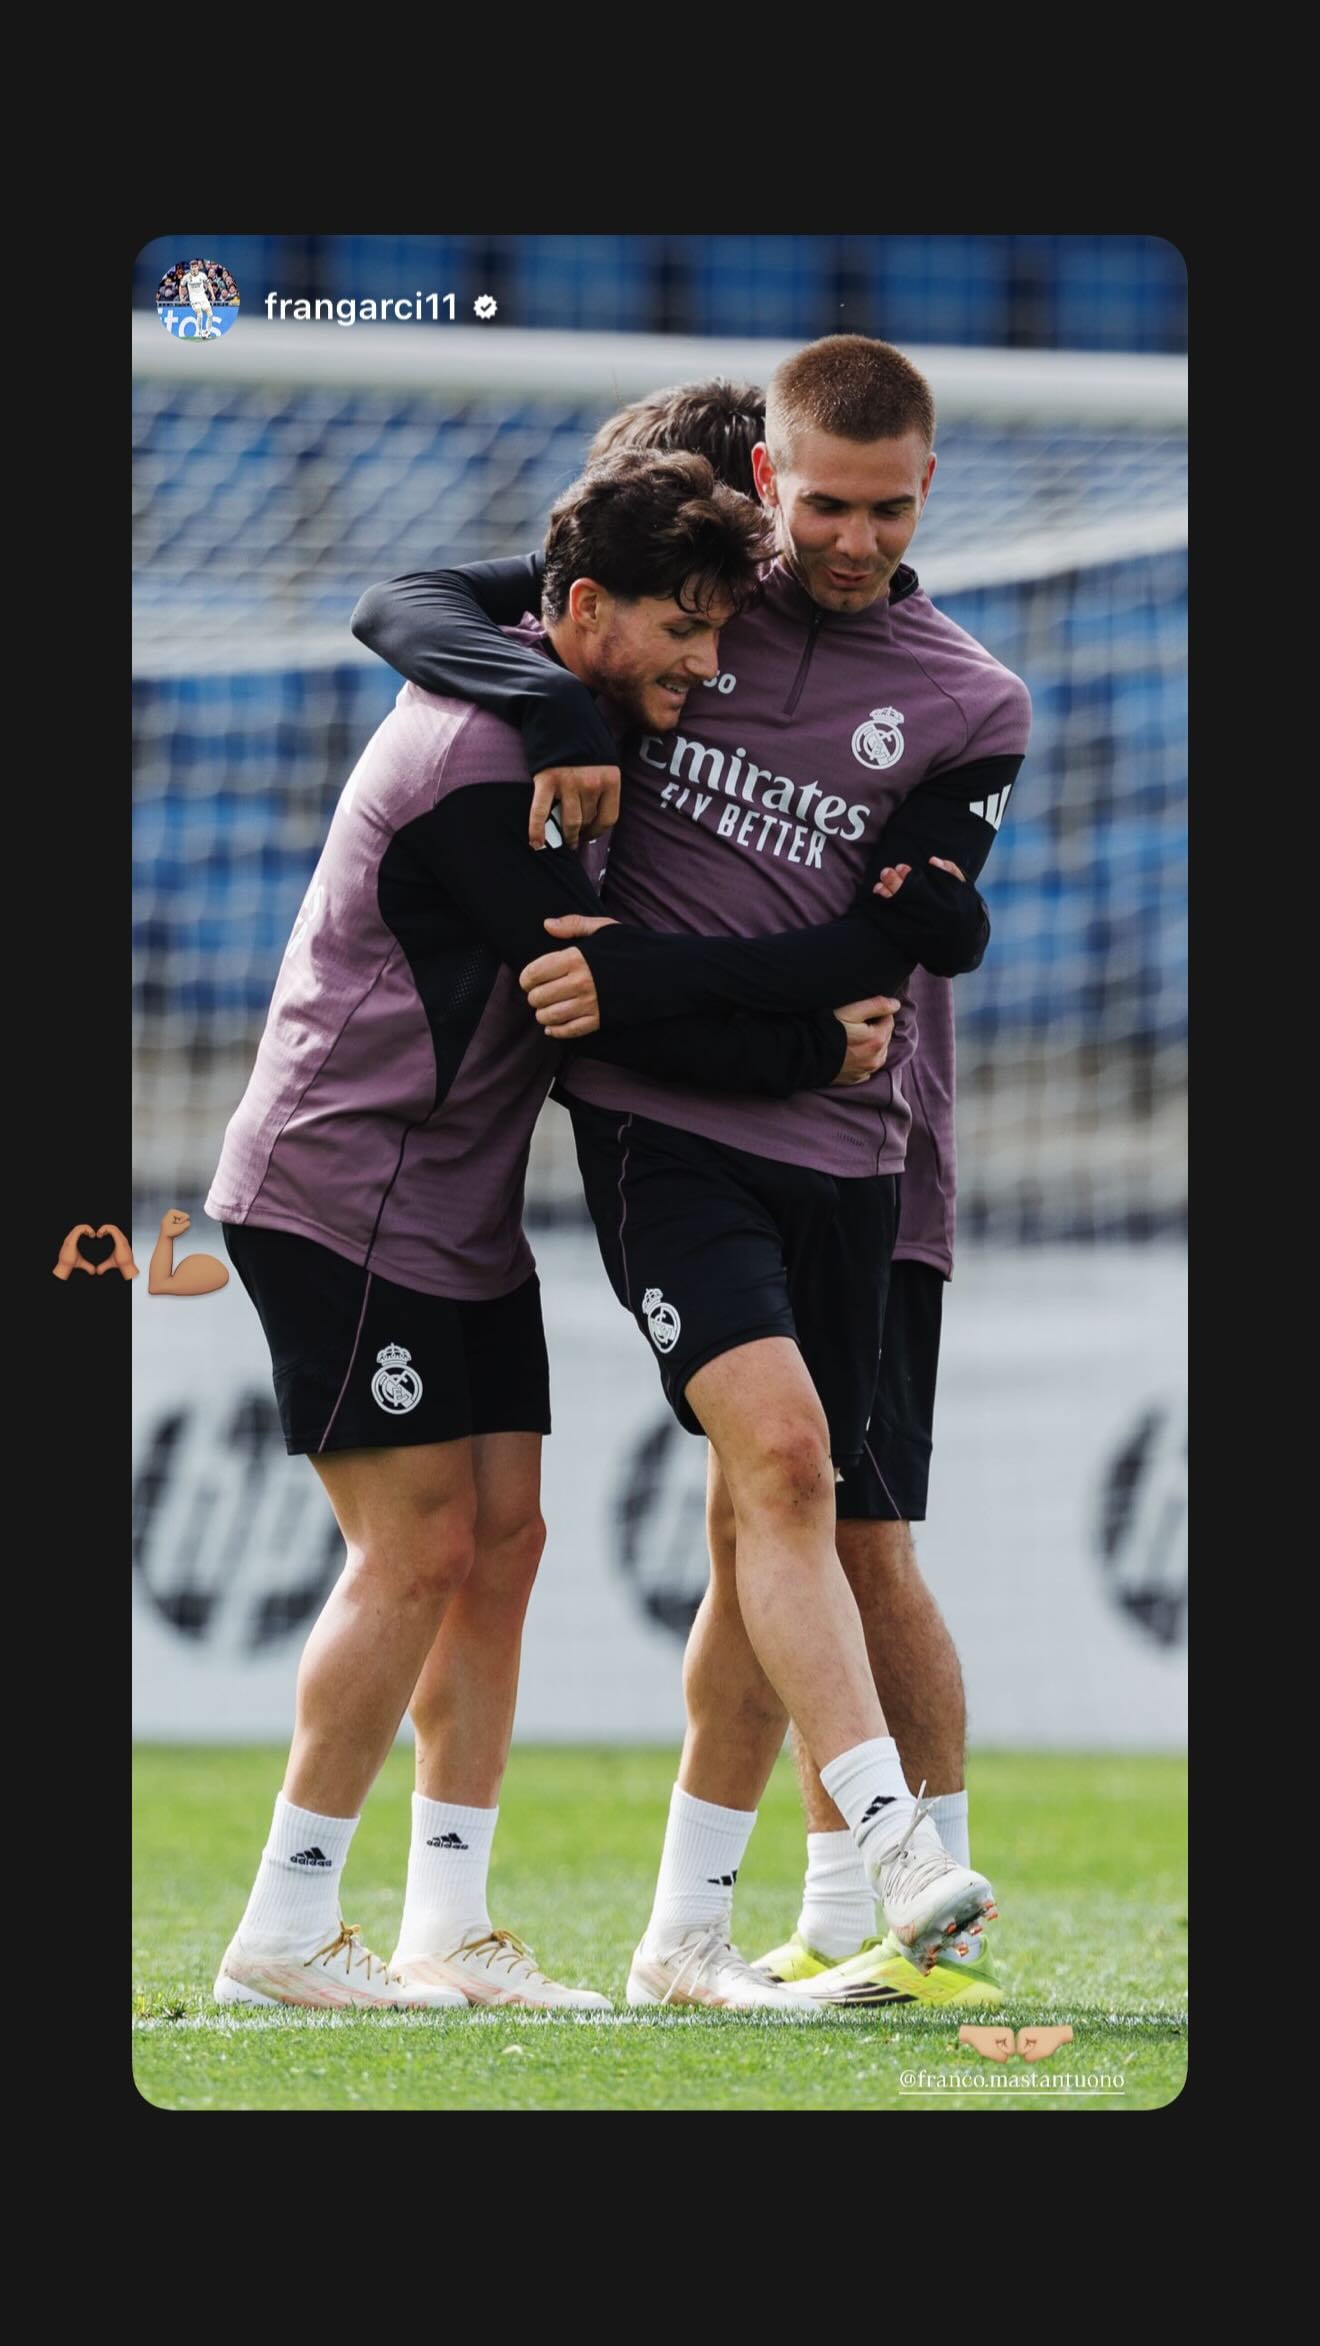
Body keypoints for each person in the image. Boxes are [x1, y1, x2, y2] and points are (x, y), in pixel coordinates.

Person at [353, 334, 1029, 2010]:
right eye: (824, 506)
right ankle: (898, 1854)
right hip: (669, 1133)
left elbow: (920, 931)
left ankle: (688, 1937)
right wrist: (539, 696)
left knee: (780, 1520)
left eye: (883, 508)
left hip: (855, 1135)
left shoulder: (971, 698)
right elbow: (423, 606)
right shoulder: (689, 600)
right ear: (767, 488)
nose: (852, 541)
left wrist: (658, 985)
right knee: (795, 1467)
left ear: (927, 489)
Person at [206, 449, 904, 2012]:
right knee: (418, 1547)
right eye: (682, 628)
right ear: (581, 608)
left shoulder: (557, 708)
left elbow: (445, 604)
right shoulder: (474, 755)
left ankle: (445, 1922)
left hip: (453, 1210)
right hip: (339, 1192)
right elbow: (599, 1012)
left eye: (722, 632)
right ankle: (285, 1923)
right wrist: (821, 1046)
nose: (707, 665)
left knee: (506, 1542)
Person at [184, 262, 214, 339]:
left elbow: (209, 284)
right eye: (192, 267)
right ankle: (199, 332)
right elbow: (181, 286)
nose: (194, 268)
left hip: (203, 298)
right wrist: (181, 298)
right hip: (194, 299)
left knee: (210, 315)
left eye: (195, 266)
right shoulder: (187, 277)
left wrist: (213, 294)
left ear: (198, 267)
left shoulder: (202, 275)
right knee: (200, 315)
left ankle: (207, 332)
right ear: (190, 268)